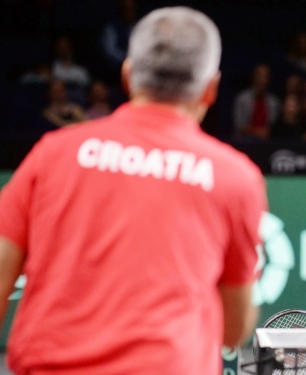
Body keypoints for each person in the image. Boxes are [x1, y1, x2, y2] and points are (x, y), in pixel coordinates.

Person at [0, 7, 266, 375]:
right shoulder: (235, 178)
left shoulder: (53, 153)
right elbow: (232, 331)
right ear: (211, 89)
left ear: (127, 75)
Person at [232, 63, 280, 140]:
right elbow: (239, 126)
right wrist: (258, 132)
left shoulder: (274, 101)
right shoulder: (242, 98)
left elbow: (274, 128)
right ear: (253, 77)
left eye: (265, 76)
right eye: (259, 76)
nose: (262, 79)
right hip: (244, 142)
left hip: (267, 143)